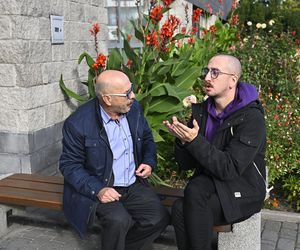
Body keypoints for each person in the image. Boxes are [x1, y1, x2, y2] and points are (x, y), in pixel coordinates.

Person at [163, 54, 267, 250]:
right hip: (208, 187)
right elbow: (186, 165)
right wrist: (182, 140)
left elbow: (229, 168)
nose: (207, 77)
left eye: (215, 72)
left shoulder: (251, 118)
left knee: (190, 196)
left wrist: (194, 141)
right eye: (206, 71)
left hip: (242, 189)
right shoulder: (201, 111)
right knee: (180, 208)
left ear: (232, 80)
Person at [59, 70, 169, 250]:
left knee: (159, 217)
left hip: (132, 184)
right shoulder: (77, 124)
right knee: (119, 220)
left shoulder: (133, 108)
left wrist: (149, 161)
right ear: (107, 99)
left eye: (131, 89)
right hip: (100, 185)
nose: (133, 96)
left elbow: (147, 137)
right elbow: (69, 166)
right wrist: (98, 189)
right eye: (127, 93)